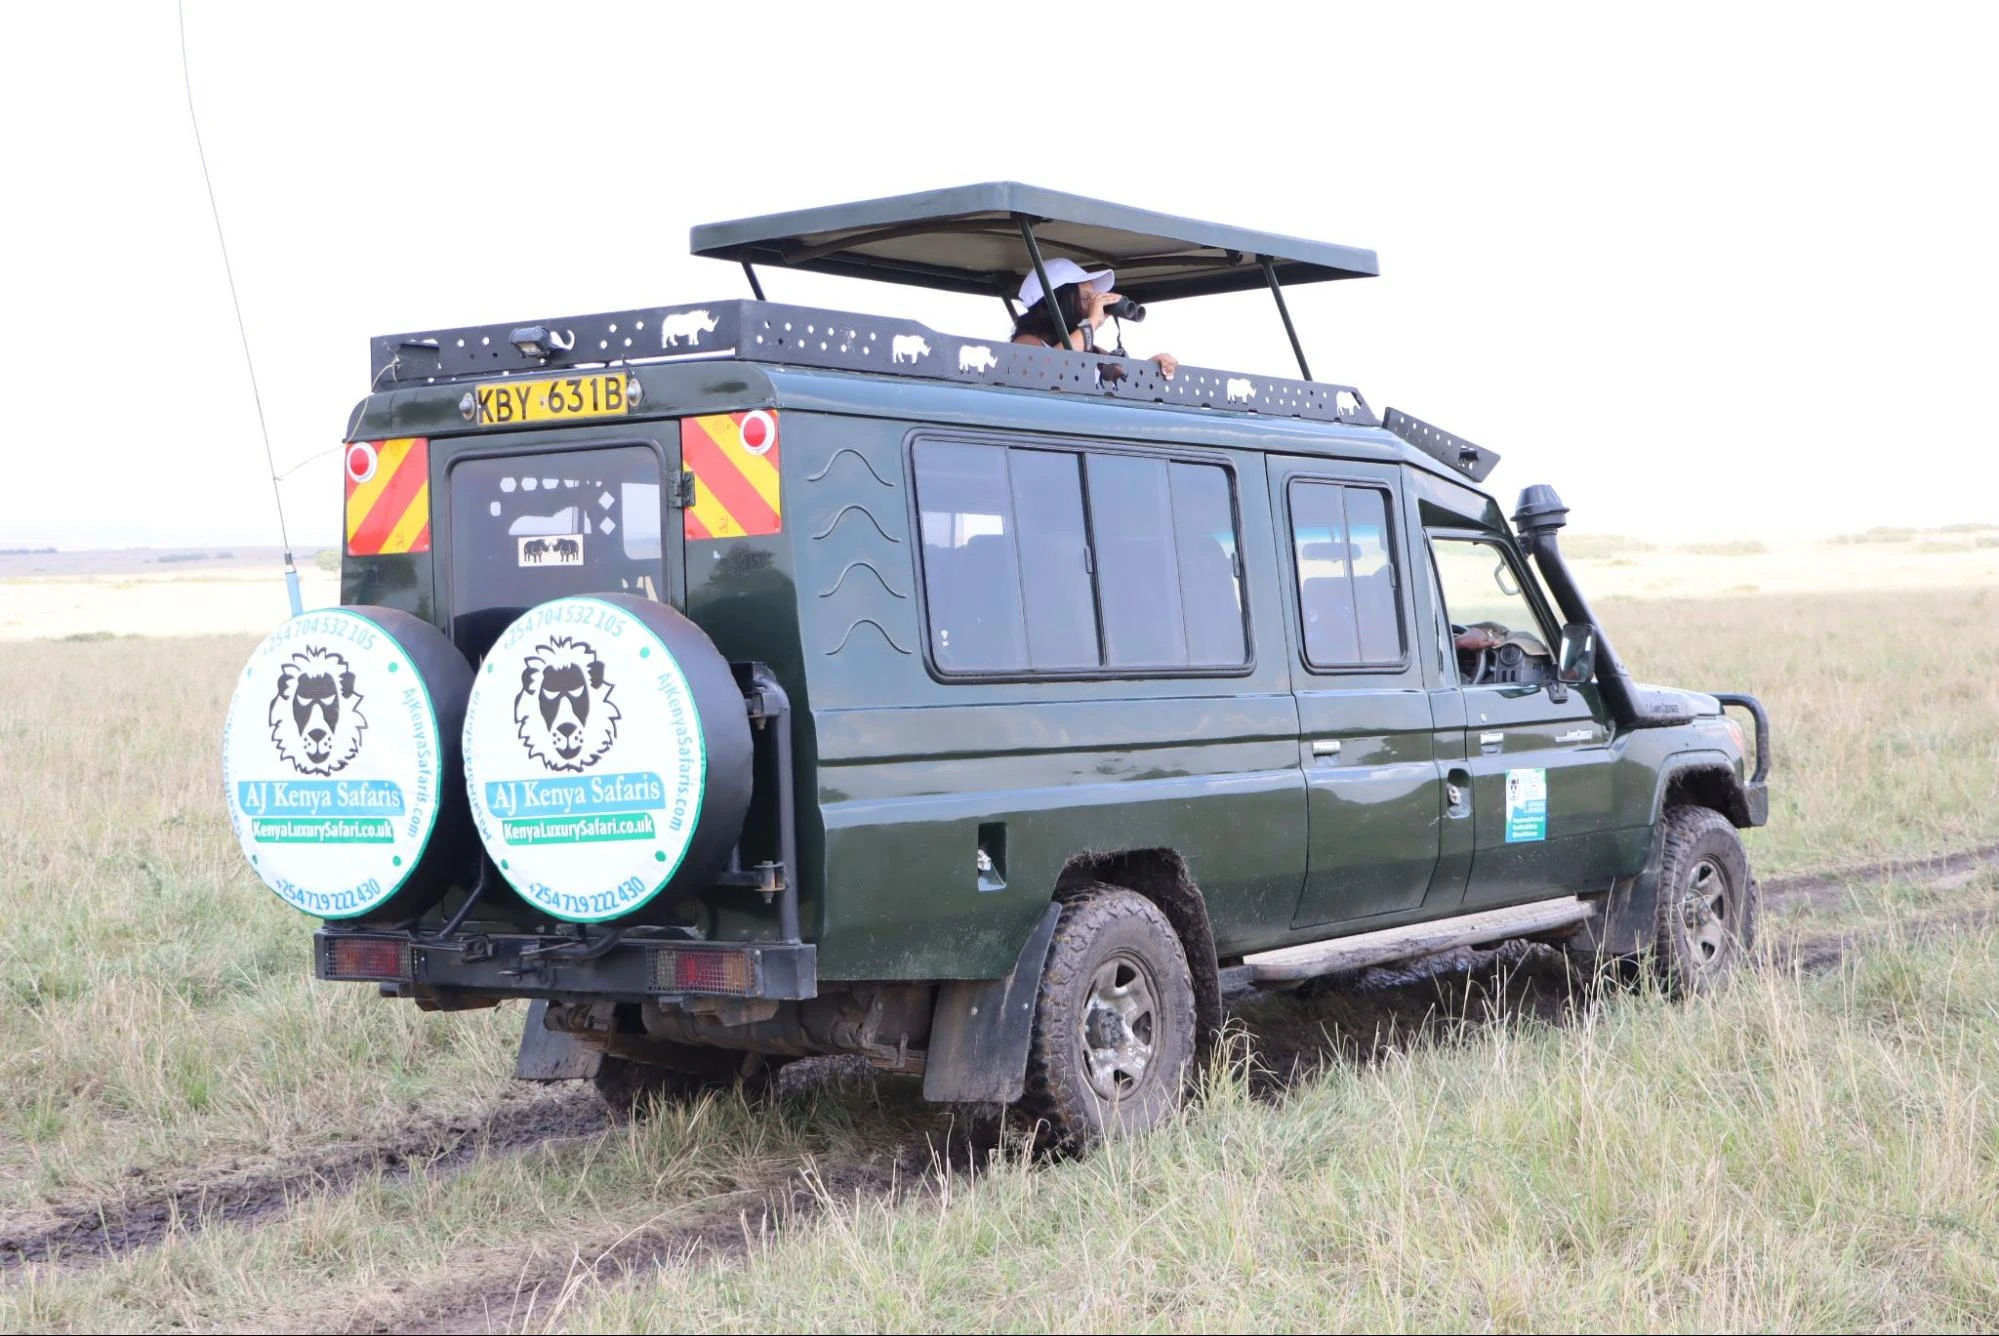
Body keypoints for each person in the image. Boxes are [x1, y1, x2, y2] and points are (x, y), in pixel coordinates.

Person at [1010, 258, 1178, 378]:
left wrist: (1152, 367)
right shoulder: (1026, 342)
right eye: (1085, 298)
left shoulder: (1091, 349)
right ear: (1058, 302)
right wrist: (1092, 321)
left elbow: (1126, 377)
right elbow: (1048, 368)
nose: (1091, 305)